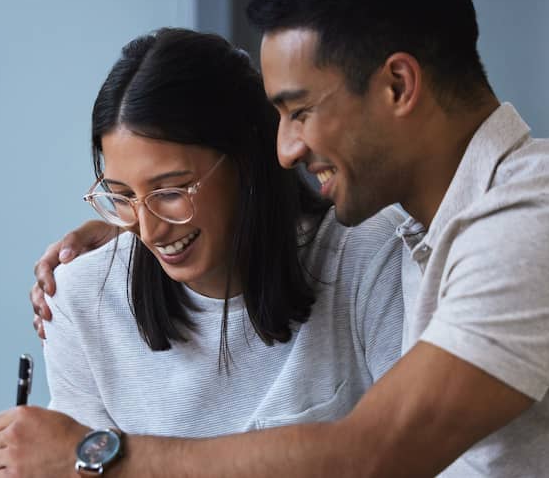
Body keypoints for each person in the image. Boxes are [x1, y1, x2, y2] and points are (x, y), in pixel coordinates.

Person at [0, 0, 549, 476]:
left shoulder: (538, 213)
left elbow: (375, 453)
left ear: (398, 85)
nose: (286, 148)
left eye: (301, 111)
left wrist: (96, 454)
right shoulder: (442, 230)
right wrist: (147, 220)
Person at [27, 27, 405, 450]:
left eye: (170, 192)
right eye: (123, 196)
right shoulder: (80, 299)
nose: (149, 231)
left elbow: (417, 456)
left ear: (247, 159)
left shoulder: (370, 256)